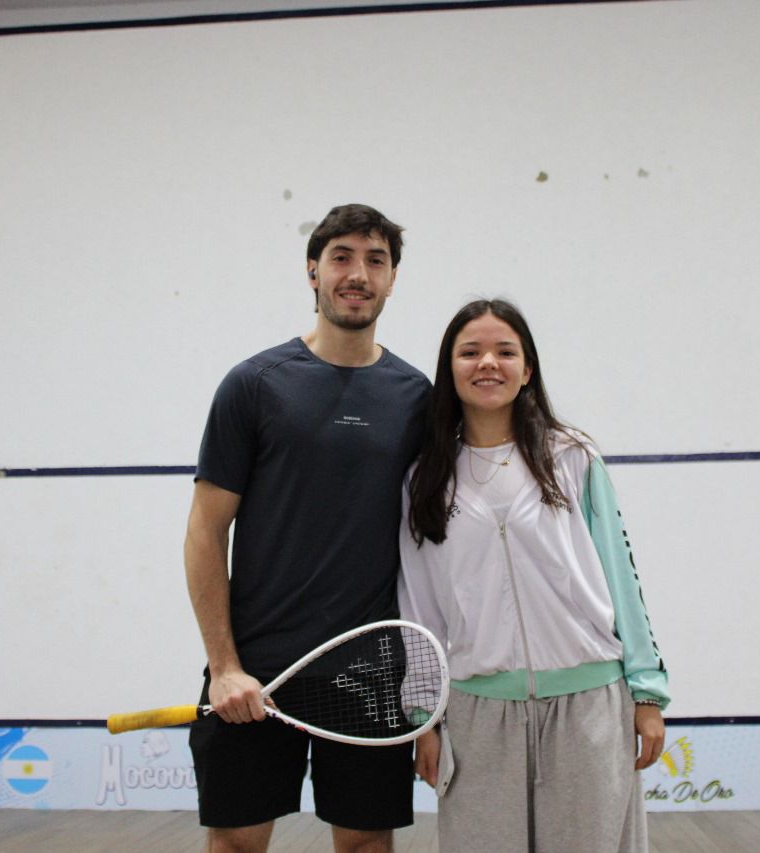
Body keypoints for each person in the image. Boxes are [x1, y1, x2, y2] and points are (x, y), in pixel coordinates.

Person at [185, 204, 431, 853]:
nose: (358, 273)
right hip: (259, 669)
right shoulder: (254, 385)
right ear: (312, 271)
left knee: (364, 843)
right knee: (236, 840)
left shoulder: (417, 397)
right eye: (343, 256)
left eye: (375, 259)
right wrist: (224, 666)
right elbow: (206, 531)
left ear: (393, 277)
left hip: (371, 670)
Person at [398, 298, 670, 853]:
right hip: (478, 718)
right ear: (450, 371)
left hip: (589, 705)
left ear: (527, 370)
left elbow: (623, 579)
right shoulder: (424, 482)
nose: (488, 364)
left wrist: (647, 694)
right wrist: (424, 717)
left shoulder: (573, 458)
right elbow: (418, 608)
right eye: (470, 352)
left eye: (505, 351)